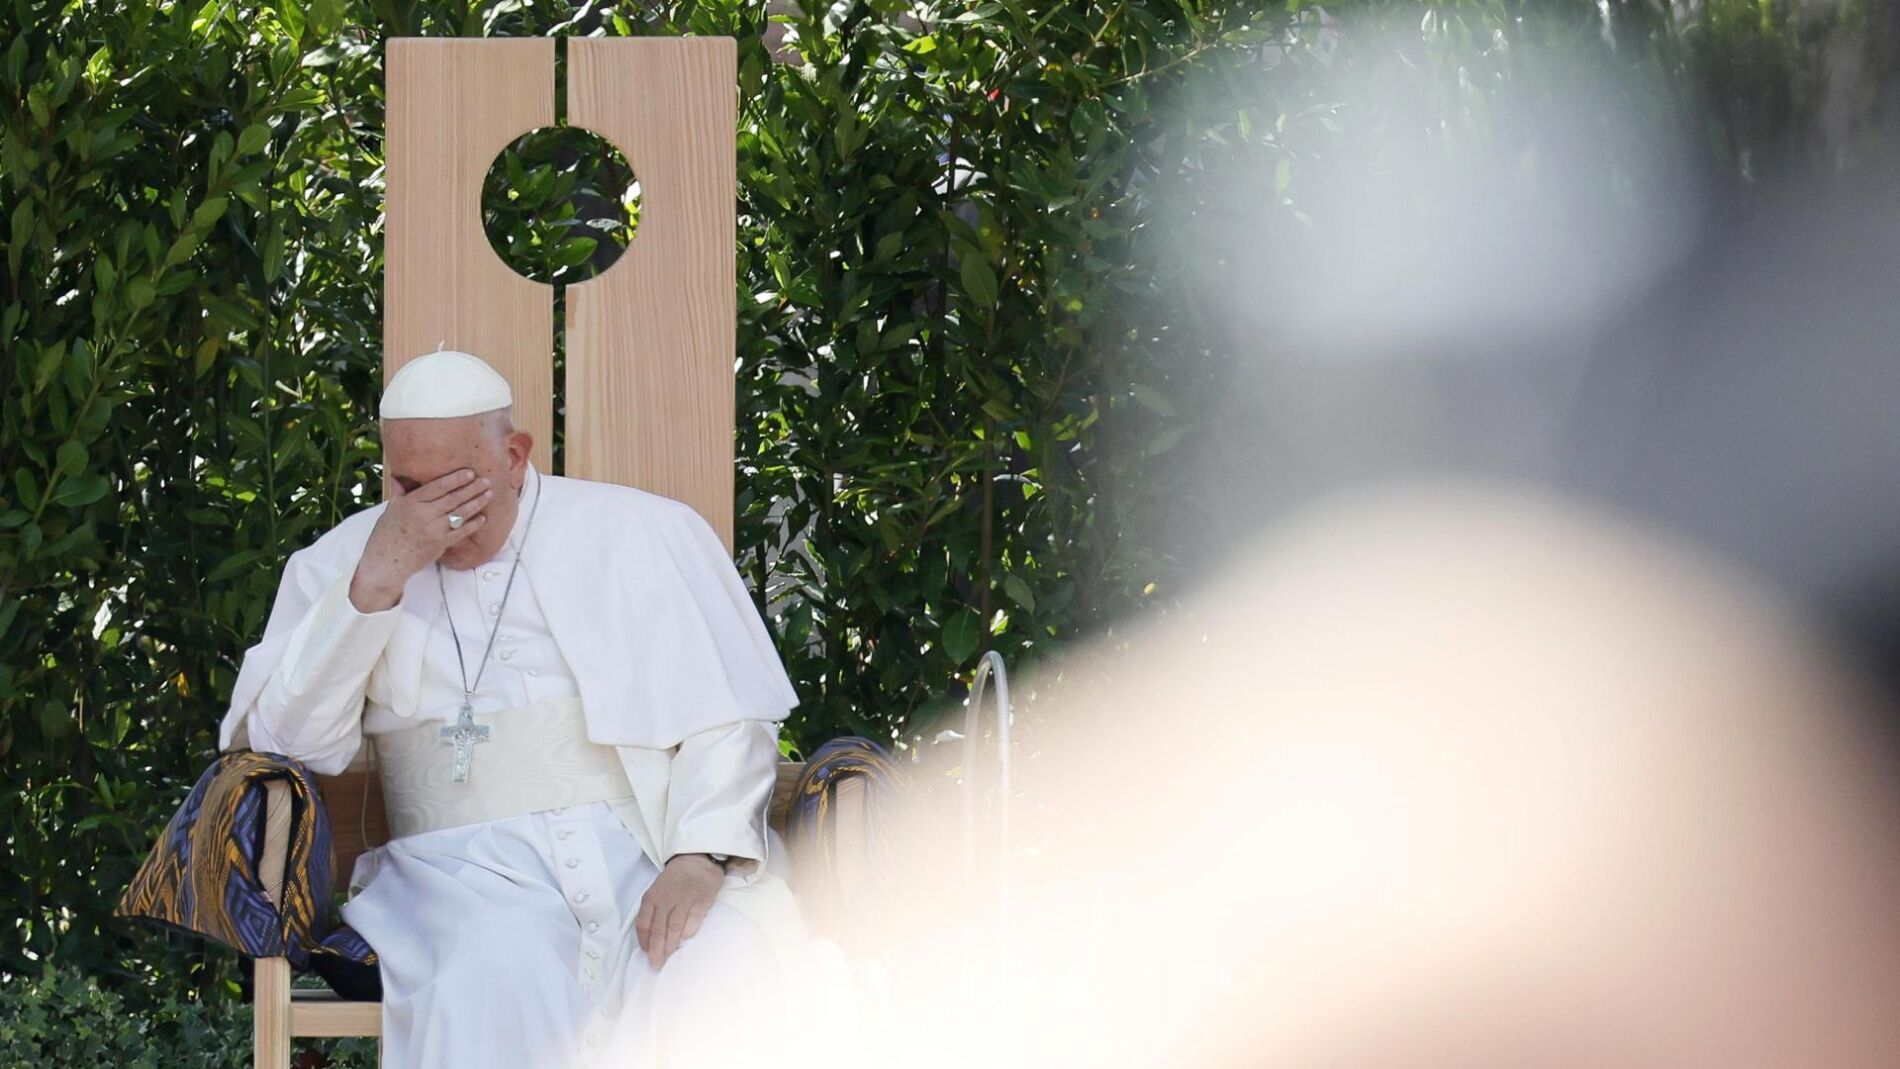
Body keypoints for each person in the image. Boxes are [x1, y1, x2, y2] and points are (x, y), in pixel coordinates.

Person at [216, 348, 810, 1068]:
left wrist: (699, 853)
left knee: (723, 965)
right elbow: (286, 744)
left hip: (644, 848)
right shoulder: (348, 559)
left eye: (457, 488)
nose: (436, 518)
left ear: (515, 455)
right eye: (409, 488)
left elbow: (727, 716)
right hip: (454, 879)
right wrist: (374, 583)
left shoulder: (643, 533)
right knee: (494, 970)